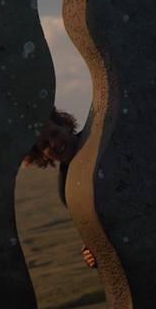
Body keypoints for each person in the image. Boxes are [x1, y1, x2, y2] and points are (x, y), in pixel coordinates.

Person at [23, 109, 97, 269]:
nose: (54, 144)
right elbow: (92, 234)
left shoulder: (100, 136)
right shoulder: (67, 189)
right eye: (45, 145)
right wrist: (91, 253)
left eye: (55, 133)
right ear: (42, 155)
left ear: (65, 125)